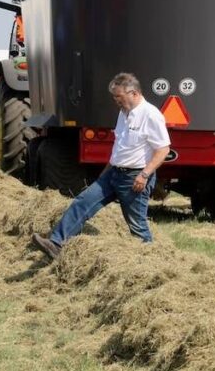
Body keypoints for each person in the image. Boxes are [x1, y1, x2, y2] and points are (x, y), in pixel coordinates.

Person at [32, 73, 171, 258]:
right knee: (83, 202)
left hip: (134, 178)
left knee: (137, 224)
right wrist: (106, 172)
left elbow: (163, 149)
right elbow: (119, 147)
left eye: (118, 97)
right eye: (114, 97)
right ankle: (57, 243)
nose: (116, 101)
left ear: (134, 93)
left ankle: (151, 261)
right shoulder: (123, 114)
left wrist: (144, 175)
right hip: (113, 173)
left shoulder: (151, 115)